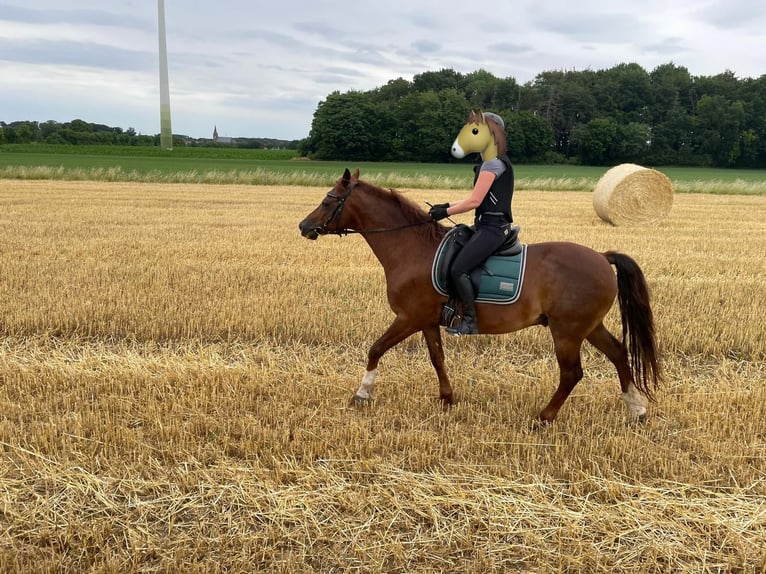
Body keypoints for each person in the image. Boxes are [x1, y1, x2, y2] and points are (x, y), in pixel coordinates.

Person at [429, 111, 515, 335]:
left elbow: (474, 201)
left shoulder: (492, 164)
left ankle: (470, 321)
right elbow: (476, 199)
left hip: (493, 228)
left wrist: (444, 211)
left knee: (459, 269)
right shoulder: (493, 161)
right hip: (487, 225)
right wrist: (446, 204)